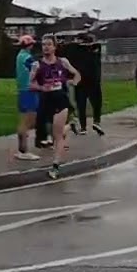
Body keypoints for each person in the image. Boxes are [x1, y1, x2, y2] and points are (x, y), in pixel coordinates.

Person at [32, 37, 81, 179]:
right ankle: (70, 127)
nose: (46, 47)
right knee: (52, 135)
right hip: (46, 101)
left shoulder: (63, 62)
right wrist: (42, 87)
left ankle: (55, 166)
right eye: (43, 45)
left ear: (55, 47)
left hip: (61, 101)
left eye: (49, 45)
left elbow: (77, 74)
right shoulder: (37, 65)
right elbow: (31, 84)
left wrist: (73, 83)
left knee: (57, 136)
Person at [68, 33, 106, 136]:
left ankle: (87, 125)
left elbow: (96, 45)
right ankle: (93, 123)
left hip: (86, 82)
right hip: (87, 82)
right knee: (88, 104)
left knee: (86, 105)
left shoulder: (92, 49)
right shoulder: (82, 51)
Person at [13, 35, 41, 161]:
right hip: (29, 90)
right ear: (30, 45)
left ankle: (22, 148)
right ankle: (23, 150)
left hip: (22, 91)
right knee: (28, 121)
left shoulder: (19, 56)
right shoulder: (27, 58)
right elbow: (38, 70)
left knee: (25, 120)